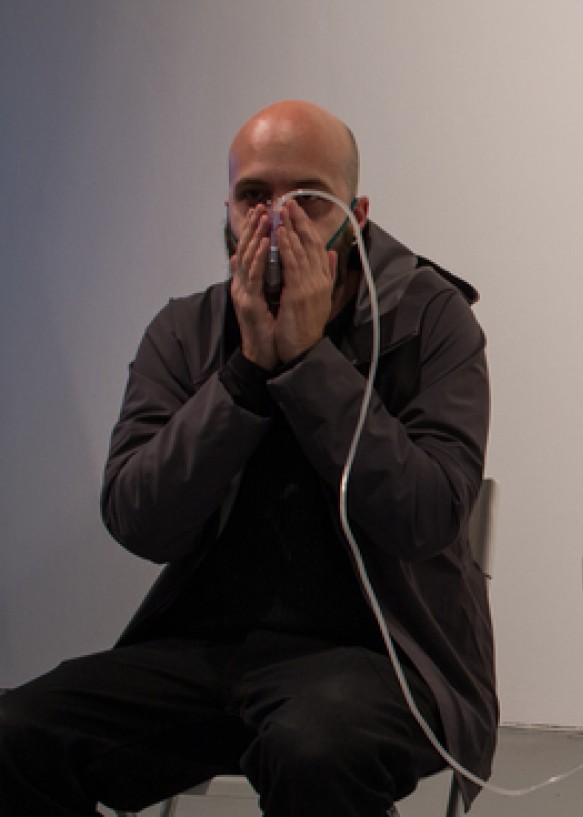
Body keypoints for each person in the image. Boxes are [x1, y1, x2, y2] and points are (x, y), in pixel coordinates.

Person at [0, 100, 495, 816]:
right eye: (255, 196)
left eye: (308, 198)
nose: (277, 221)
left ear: (356, 215)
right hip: (206, 651)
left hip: (386, 655)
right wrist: (242, 379)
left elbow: (427, 515)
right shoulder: (187, 330)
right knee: (15, 733)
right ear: (229, 211)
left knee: (316, 749)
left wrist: (310, 365)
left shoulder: (430, 319)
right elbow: (139, 519)